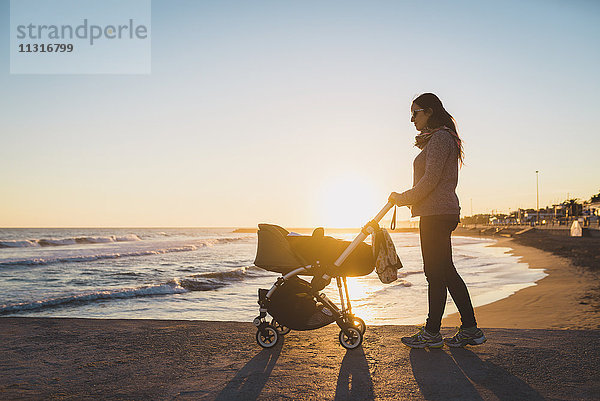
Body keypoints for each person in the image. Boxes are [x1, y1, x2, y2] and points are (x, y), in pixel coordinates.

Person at [388, 93, 486, 348]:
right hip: (439, 212)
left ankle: (433, 332)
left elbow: (429, 181)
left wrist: (403, 198)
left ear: (429, 111)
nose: (412, 119)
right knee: (445, 271)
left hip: (436, 213)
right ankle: (469, 329)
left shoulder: (441, 138)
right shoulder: (439, 138)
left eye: (415, 113)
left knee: (436, 273)